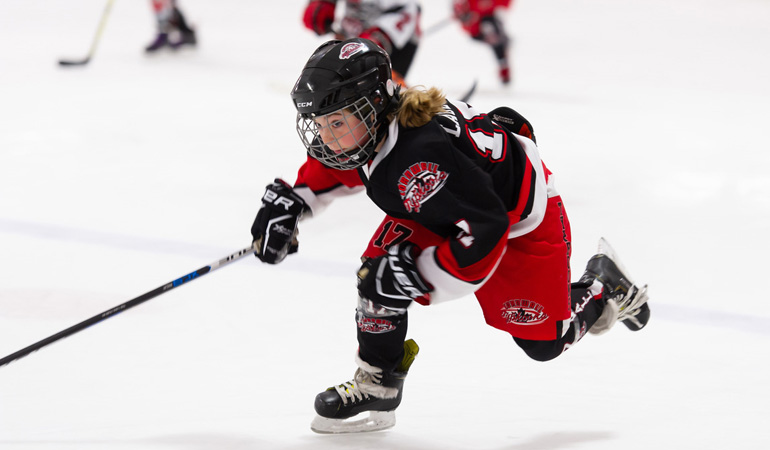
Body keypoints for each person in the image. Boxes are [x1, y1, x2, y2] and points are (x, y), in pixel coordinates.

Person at [250, 38, 651, 433]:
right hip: (453, 203)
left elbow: (486, 229)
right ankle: (379, 382)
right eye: (320, 124)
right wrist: (292, 200)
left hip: (516, 219)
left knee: (544, 343)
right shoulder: (377, 123)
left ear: (372, 106)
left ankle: (602, 285)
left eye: (335, 122)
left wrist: (420, 273)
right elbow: (344, 163)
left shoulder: (419, 157)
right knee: (377, 273)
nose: (326, 136)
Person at [301, 0, 421, 86]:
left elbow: (407, 9)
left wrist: (379, 36)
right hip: (355, 35)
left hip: (397, 43)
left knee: (381, 92)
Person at [452, 0, 513, 84]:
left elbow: (506, 4)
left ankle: (503, 66)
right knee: (492, 31)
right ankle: (503, 65)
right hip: (476, 30)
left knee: (497, 38)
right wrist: (463, 16)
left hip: (490, 27)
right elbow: (457, 8)